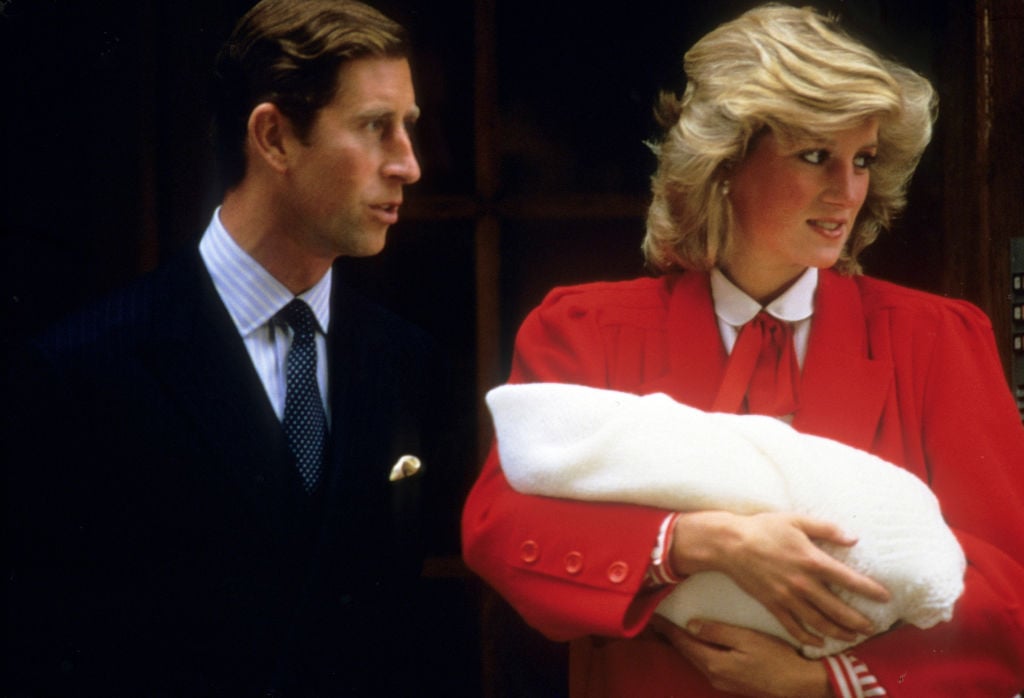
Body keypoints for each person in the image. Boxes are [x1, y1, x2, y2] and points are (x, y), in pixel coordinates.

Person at [462, 4, 1024, 697]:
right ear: (724, 162)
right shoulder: (584, 328)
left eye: (863, 160)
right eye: (815, 155)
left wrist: (827, 681)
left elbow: (1008, 582)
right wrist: (696, 543)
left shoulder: (938, 340)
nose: (847, 192)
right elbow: (499, 528)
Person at [4, 1, 445, 695]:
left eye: (407, 128)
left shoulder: (405, 361)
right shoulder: (81, 371)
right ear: (272, 137)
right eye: (374, 127)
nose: (408, 165)